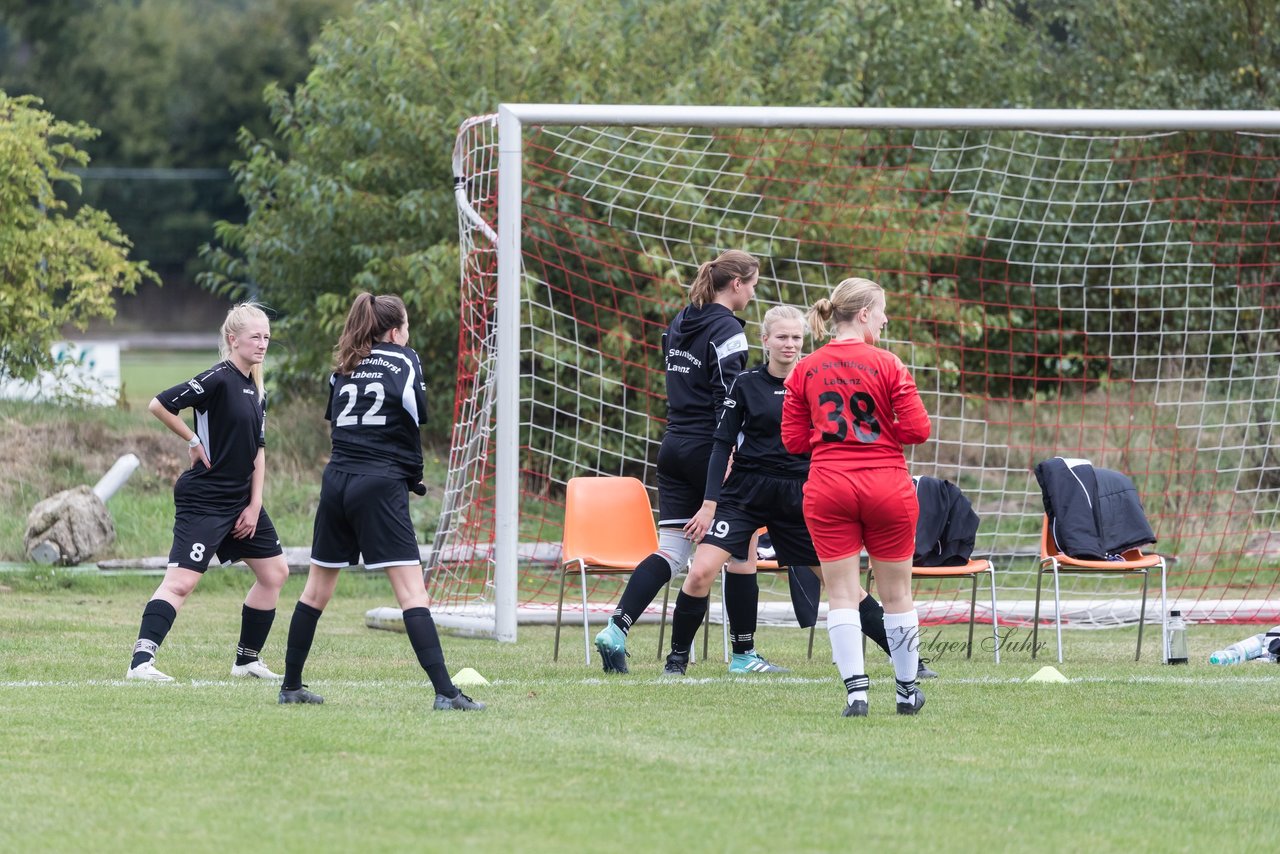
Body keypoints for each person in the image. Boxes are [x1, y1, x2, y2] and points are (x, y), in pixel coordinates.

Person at [664, 306, 937, 680]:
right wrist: (710, 502)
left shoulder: (816, 378)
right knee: (700, 573)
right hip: (745, 491)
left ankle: (907, 659)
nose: (789, 344)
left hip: (799, 491)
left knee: (842, 585)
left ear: (804, 341)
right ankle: (676, 662)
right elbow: (720, 445)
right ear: (766, 341)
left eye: (796, 338)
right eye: (782, 337)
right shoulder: (744, 384)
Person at [275, 293, 483, 711]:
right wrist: (411, 473)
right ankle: (446, 692)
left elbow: (339, 422)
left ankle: (291, 686)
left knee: (315, 591)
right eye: (406, 327)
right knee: (412, 594)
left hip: (337, 480)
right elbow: (416, 414)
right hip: (378, 481)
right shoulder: (405, 359)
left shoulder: (343, 368)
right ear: (394, 331)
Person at [593, 249, 759, 673]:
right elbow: (728, 398)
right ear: (736, 284)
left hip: (673, 445)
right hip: (709, 450)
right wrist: (732, 454)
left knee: (670, 552)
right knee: (741, 552)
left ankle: (616, 628)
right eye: (753, 283)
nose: (754, 292)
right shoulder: (727, 331)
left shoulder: (682, 319)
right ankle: (743, 655)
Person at [781, 277, 931, 717]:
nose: (885, 319)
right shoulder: (888, 363)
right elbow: (919, 429)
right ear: (863, 314)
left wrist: (831, 435)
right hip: (886, 482)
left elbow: (792, 441)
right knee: (897, 594)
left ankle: (856, 695)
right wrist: (883, 432)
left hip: (829, 485)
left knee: (843, 593)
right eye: (882, 311)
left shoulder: (804, 368)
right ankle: (906, 693)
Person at [126, 302, 290, 682]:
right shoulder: (217, 378)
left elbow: (258, 452)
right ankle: (140, 664)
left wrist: (255, 504)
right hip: (205, 499)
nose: (263, 344)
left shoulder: (258, 390)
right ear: (233, 339)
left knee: (275, 573)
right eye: (255, 337)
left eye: (267, 337)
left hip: (241, 501)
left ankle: (246, 660)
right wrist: (193, 438)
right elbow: (160, 404)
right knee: (182, 582)